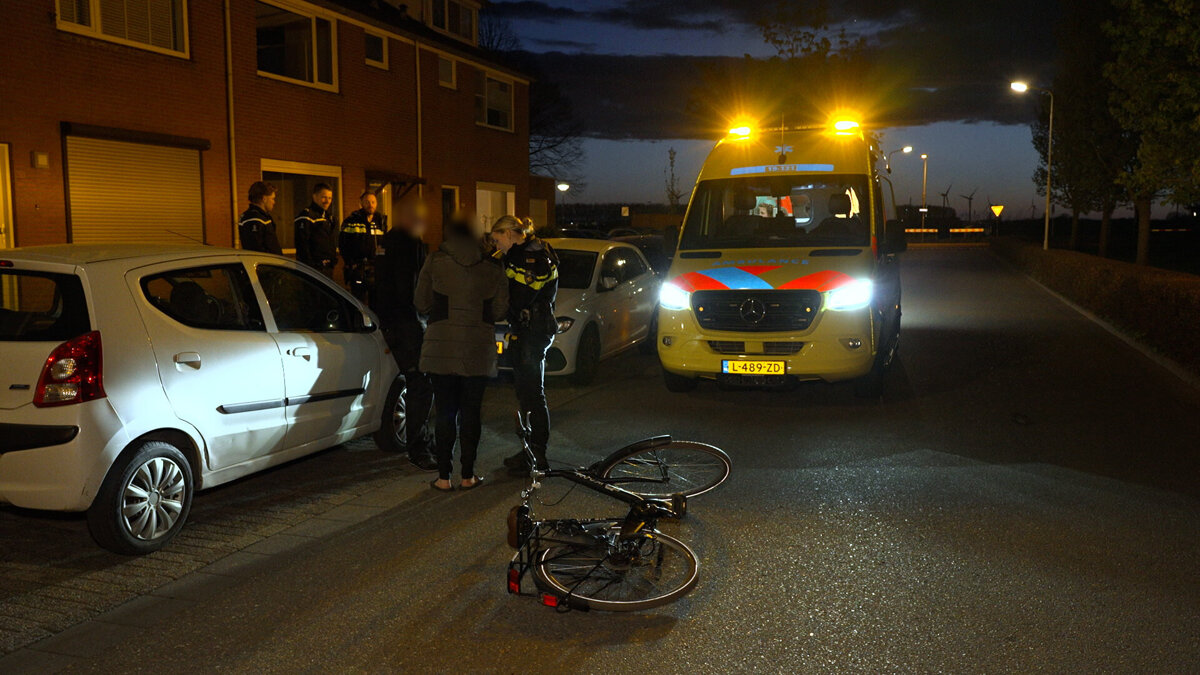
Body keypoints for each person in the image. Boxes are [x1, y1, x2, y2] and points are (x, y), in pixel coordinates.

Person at [416, 217, 508, 491]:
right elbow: (501, 310)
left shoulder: (435, 261)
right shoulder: (493, 267)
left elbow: (421, 302)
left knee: (445, 412)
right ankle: (468, 474)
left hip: (441, 348)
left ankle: (443, 477)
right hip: (477, 348)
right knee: (471, 412)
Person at [491, 215, 559, 474]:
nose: (498, 245)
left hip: (532, 330)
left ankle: (537, 455)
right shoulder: (531, 251)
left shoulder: (530, 257)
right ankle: (530, 451)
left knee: (532, 394)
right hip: (529, 329)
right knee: (527, 394)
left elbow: (520, 296)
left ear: (510, 233)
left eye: (499, 239)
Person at [374, 201, 437, 471]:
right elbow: (410, 287)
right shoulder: (408, 244)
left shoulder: (387, 241)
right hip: (406, 321)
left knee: (412, 381)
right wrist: (420, 314)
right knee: (420, 382)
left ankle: (419, 440)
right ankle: (418, 446)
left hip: (389, 318)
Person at [340, 191, 387, 302]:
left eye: (373, 202)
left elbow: (382, 244)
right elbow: (343, 244)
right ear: (361, 203)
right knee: (358, 302)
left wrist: (380, 261)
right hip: (357, 269)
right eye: (367, 202)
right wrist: (350, 263)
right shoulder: (351, 221)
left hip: (375, 270)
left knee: (376, 303)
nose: (371, 205)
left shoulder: (381, 221)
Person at [294, 183, 337, 278]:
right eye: (324, 197)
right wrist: (311, 265)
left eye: (330, 198)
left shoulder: (329, 217)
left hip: (328, 268)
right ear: (314, 196)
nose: (327, 201)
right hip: (313, 270)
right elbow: (302, 244)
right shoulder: (306, 216)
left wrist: (333, 260)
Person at [238, 181, 283, 255]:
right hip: (267, 264)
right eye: (272, 198)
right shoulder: (257, 219)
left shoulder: (246, 216)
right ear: (264, 199)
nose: (274, 202)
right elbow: (260, 249)